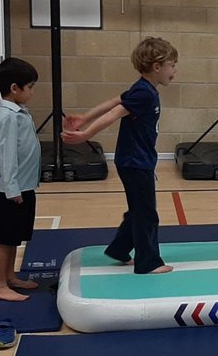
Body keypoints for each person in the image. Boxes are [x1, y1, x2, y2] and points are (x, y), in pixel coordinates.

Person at [62, 37, 178, 274]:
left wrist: (85, 117)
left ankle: (119, 249)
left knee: (138, 209)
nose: (174, 71)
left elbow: (115, 101)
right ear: (157, 67)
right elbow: (115, 113)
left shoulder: (143, 88)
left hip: (135, 160)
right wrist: (86, 134)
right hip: (136, 161)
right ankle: (148, 262)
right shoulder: (144, 93)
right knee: (146, 214)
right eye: (172, 65)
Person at [0, 57, 41, 302]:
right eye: (30, 87)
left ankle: (10, 276)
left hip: (23, 186)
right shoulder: (7, 117)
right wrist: (12, 188)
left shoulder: (19, 113)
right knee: (5, 238)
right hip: (10, 190)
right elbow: (6, 156)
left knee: (15, 236)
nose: (32, 92)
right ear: (14, 88)